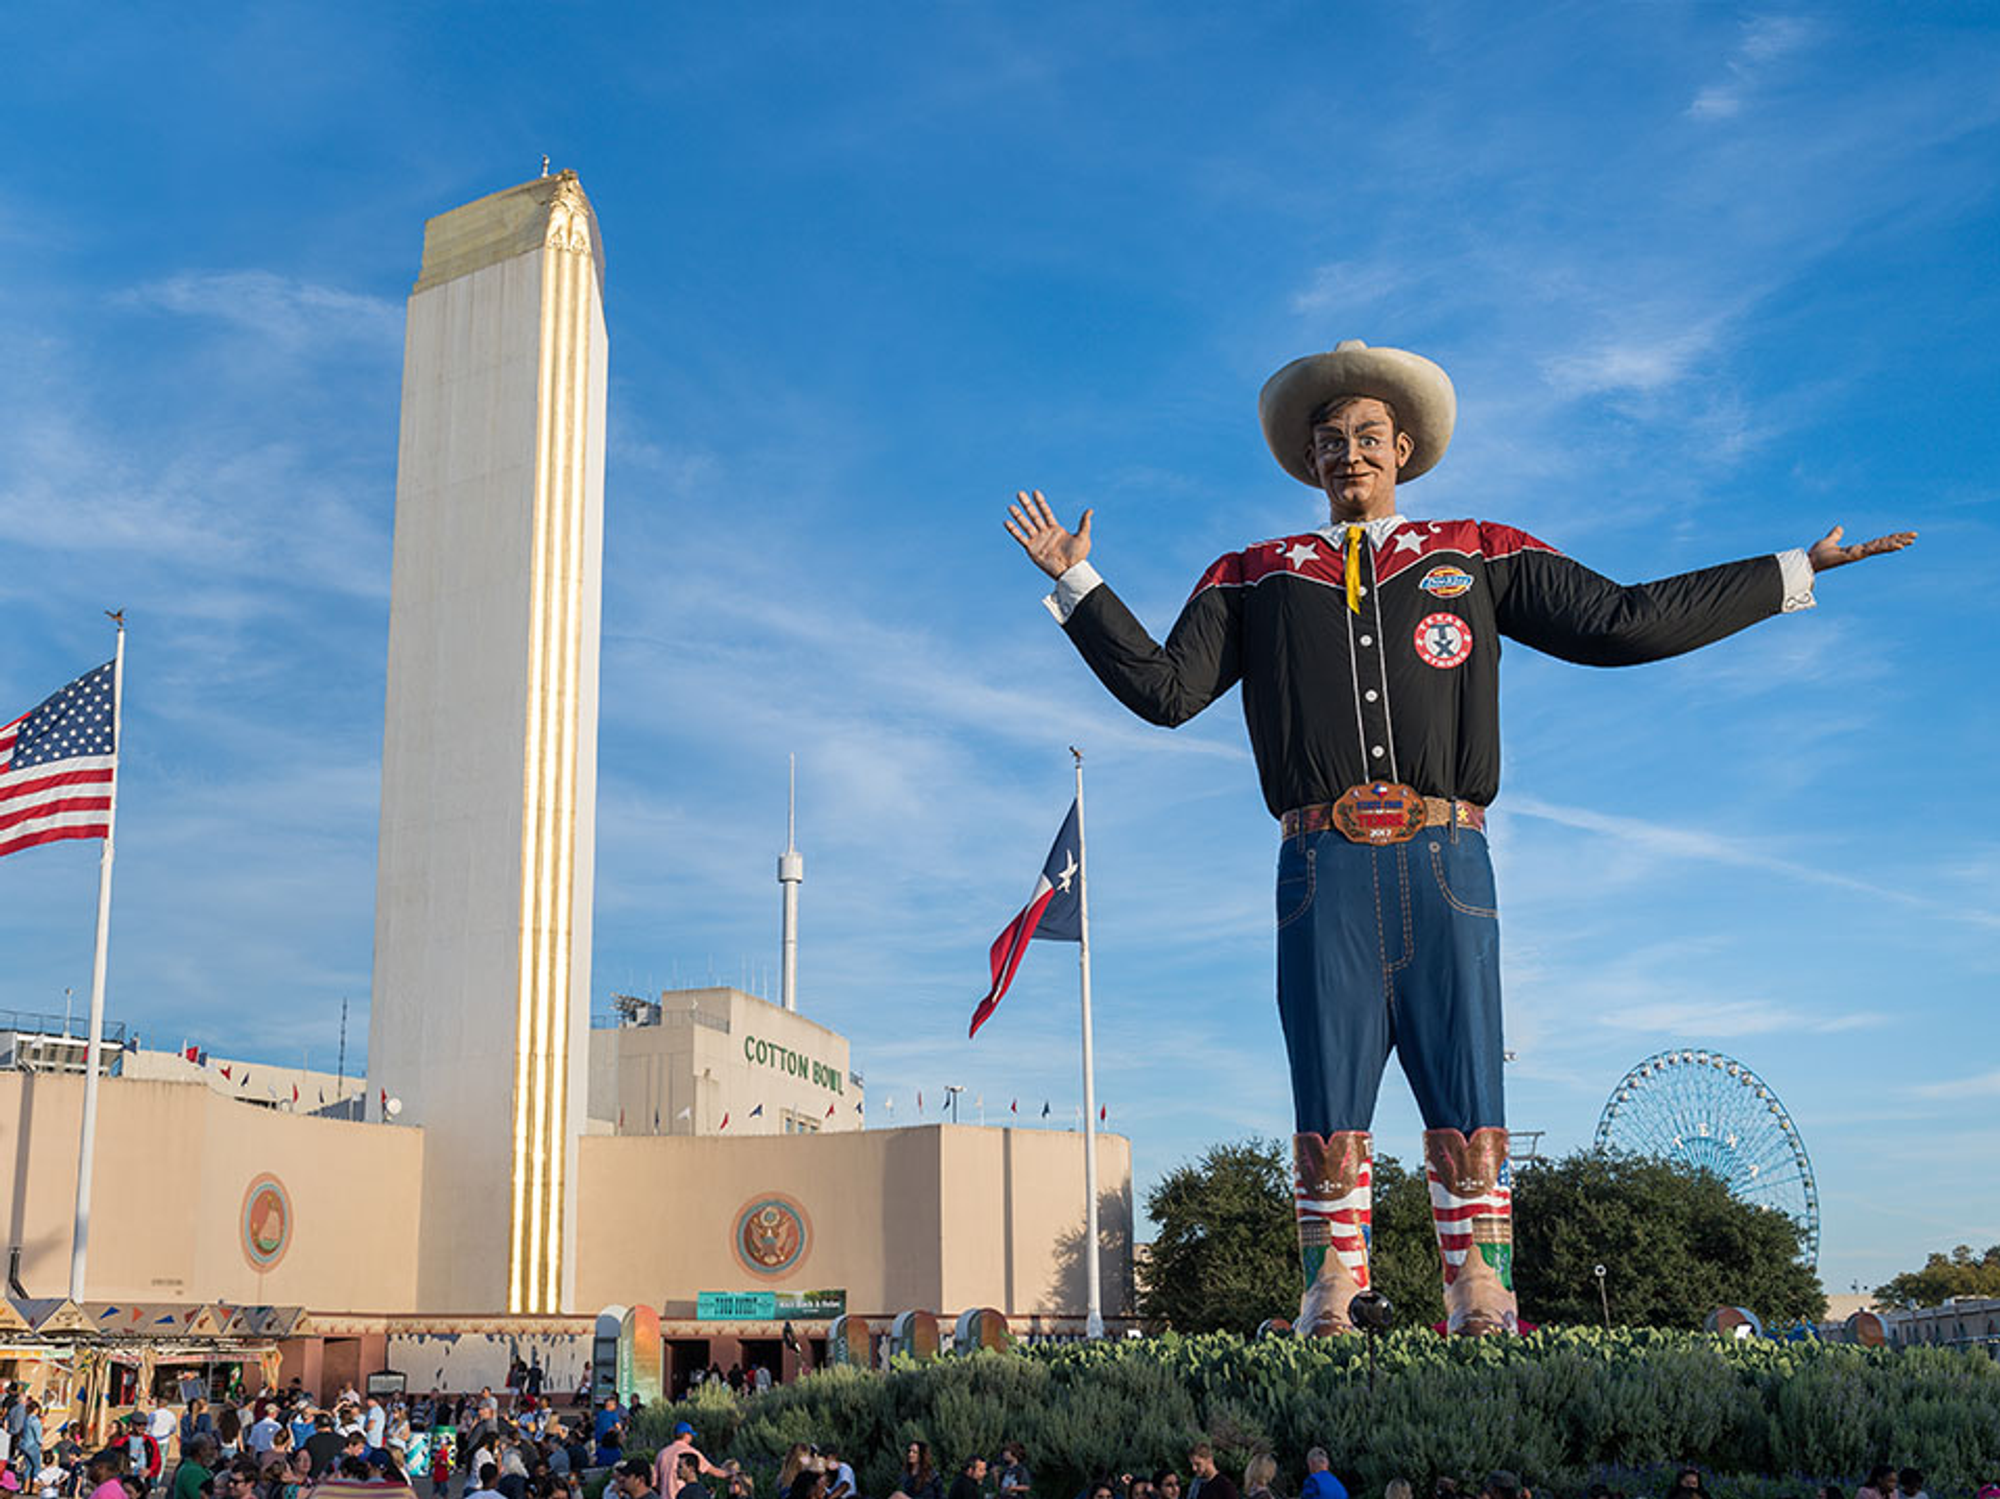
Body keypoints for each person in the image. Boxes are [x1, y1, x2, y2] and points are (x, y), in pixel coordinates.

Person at [1006, 341, 1915, 1334]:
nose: (1347, 453)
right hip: (1321, 858)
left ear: (1402, 447)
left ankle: (1479, 1279)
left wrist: (1788, 569)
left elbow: (1618, 619)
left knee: (1467, 1066)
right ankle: (1332, 1281)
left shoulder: (1473, 549)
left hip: (1448, 854)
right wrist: (1077, 581)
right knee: (1325, 1076)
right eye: (1327, 441)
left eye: (1365, 436)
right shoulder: (1254, 574)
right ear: (1307, 460)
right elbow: (1165, 691)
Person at [652, 1424, 726, 1499]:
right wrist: (730, 1474)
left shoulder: (662, 1454)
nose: (692, 1437)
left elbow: (654, 1483)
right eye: (691, 1435)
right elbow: (714, 1471)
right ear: (686, 1435)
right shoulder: (690, 1452)